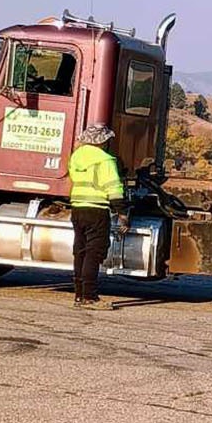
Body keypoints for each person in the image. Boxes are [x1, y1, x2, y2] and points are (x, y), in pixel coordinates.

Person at [68, 124, 126, 310]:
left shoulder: (76, 156)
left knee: (81, 251)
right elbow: (114, 187)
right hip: (97, 210)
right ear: (103, 141)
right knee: (94, 252)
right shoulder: (105, 159)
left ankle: (79, 295)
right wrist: (122, 213)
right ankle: (90, 297)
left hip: (78, 208)